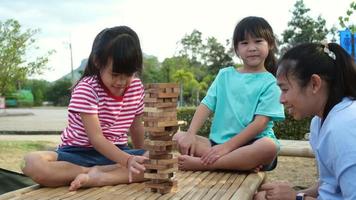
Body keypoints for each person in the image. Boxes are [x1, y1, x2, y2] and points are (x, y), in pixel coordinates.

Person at [22, 26, 148, 191]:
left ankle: (100, 177)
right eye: (115, 75)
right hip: (77, 154)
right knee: (31, 163)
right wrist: (128, 161)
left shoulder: (136, 87)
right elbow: (96, 138)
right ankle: (91, 173)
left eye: (128, 75)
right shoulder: (87, 89)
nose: (121, 82)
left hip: (117, 153)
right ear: (98, 62)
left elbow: (136, 126)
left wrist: (141, 155)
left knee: (159, 162)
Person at [173, 16, 285, 171]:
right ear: (236, 49)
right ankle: (238, 164)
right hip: (217, 144)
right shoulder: (225, 75)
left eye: (258, 41)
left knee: (269, 147)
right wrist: (191, 133)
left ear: (270, 44)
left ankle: (205, 165)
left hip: (252, 144)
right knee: (178, 137)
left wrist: (227, 148)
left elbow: (260, 124)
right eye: (245, 43)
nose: (251, 47)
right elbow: (206, 105)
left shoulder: (271, 83)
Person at [254, 42, 356, 200]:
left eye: (285, 89)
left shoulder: (343, 127)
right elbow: (329, 185)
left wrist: (296, 198)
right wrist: (295, 194)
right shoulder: (319, 122)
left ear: (315, 84)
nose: (281, 99)